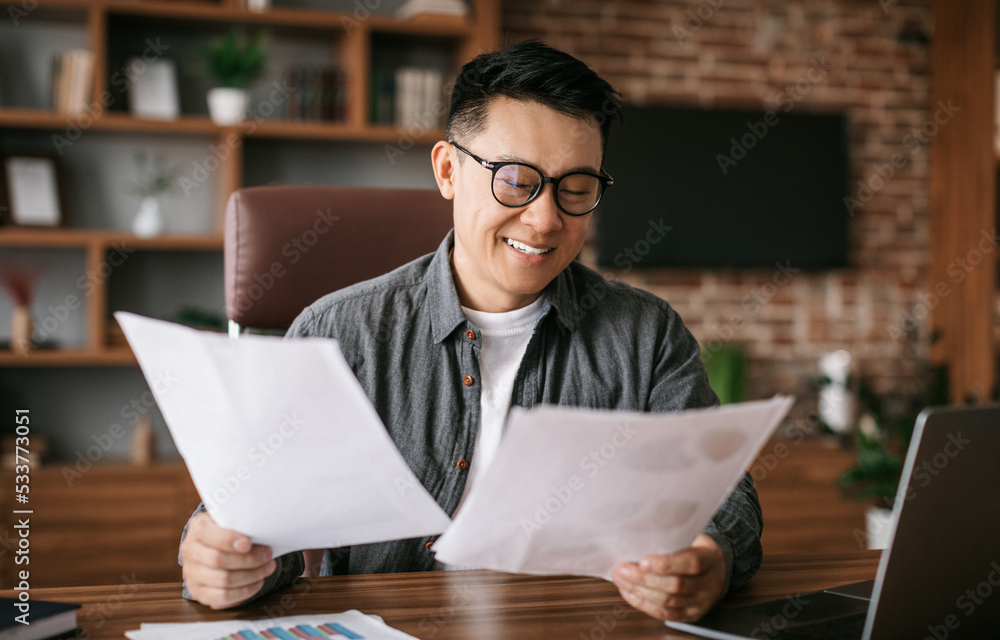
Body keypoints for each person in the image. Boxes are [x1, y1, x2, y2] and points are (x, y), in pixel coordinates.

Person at [179, 40, 763, 623]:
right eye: (515, 180)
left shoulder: (645, 335)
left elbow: (722, 493)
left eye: (576, 188)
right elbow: (254, 519)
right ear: (448, 171)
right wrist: (224, 558)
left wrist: (710, 557)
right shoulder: (340, 334)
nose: (545, 219)